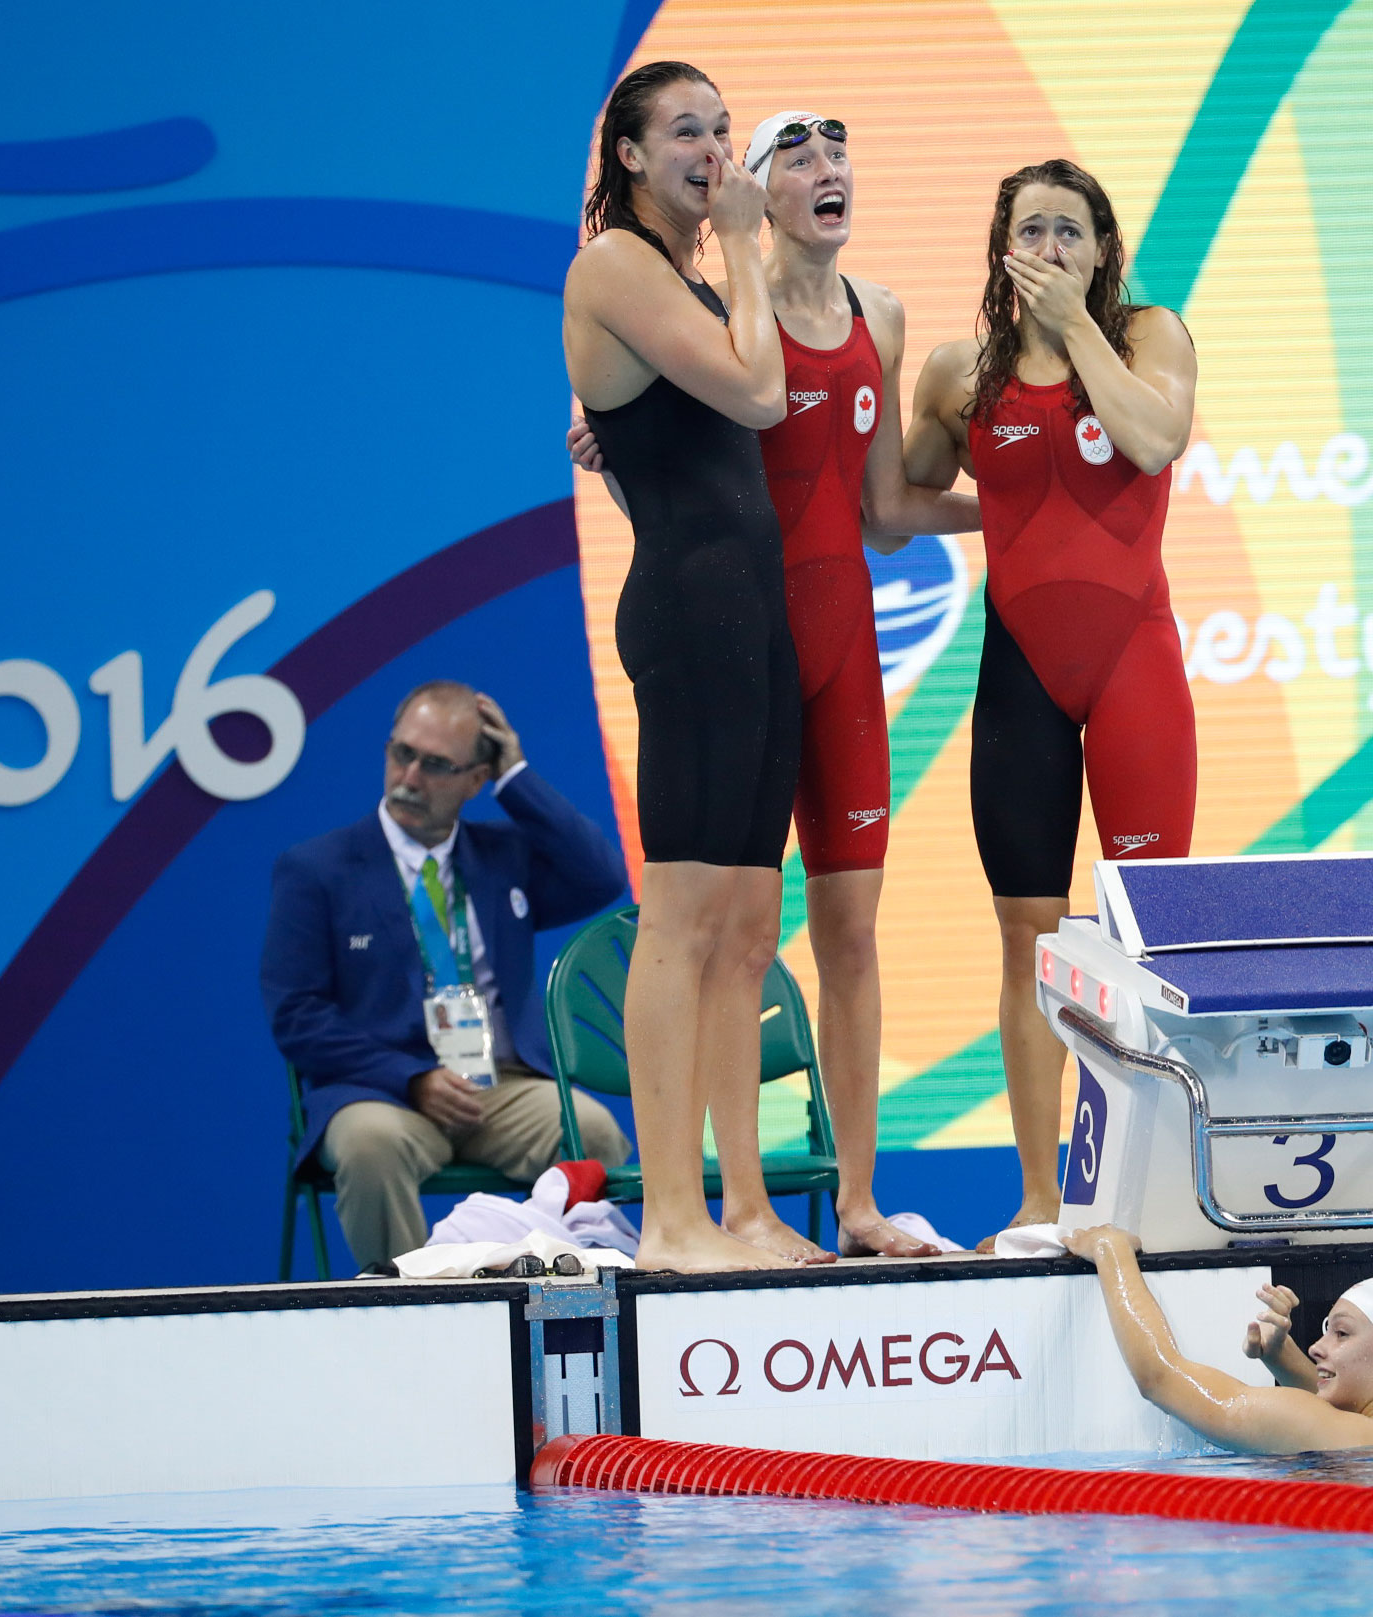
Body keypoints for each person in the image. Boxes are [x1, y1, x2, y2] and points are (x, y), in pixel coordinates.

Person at [571, 109, 981, 1259]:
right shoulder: (707, 318)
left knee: (836, 932)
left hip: (836, 640)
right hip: (736, 634)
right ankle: (698, 1209)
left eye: (837, 155)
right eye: (793, 156)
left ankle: (849, 1204)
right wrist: (617, 434)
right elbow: (683, 484)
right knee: (711, 925)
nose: (824, 172)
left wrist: (1029, 508)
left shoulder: (879, 318)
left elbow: (887, 509)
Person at [904, 159, 1200, 1249]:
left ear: (1103, 251)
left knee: (1144, 936)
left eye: (1072, 231)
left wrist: (1080, 330)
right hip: (1021, 670)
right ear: (1002, 249)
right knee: (1030, 941)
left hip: (1135, 664)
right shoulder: (957, 375)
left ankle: (1151, 1192)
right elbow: (894, 502)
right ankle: (1041, 1203)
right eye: (1033, 230)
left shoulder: (1147, 336)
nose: (1052, 248)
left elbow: (1154, 440)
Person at [563, 60, 799, 1271]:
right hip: (693, 617)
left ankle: (748, 1212)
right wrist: (750, 252)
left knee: (750, 924)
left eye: (723, 127)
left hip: (753, 614)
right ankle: (670, 1219)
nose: (717, 150)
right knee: (686, 914)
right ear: (631, 158)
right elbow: (762, 394)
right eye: (689, 133)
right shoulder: (615, 266)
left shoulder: (687, 283)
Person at [261, 682, 632, 1269]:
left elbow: (601, 876)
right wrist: (412, 1077)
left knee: (594, 1133)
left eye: (435, 764)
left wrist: (518, 778)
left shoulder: (501, 855)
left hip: (498, 1085)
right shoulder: (318, 870)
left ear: (475, 778)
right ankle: (415, 1310)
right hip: (381, 1090)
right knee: (368, 1146)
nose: (409, 777)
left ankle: (560, 1293)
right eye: (400, 753)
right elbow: (297, 1014)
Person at [1065, 1225, 1373, 1451]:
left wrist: (1110, 1251)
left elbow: (1160, 1378)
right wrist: (1280, 1356)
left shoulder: (1336, 1434)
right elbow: (1359, 1408)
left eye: (1342, 1333)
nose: (1317, 1346)